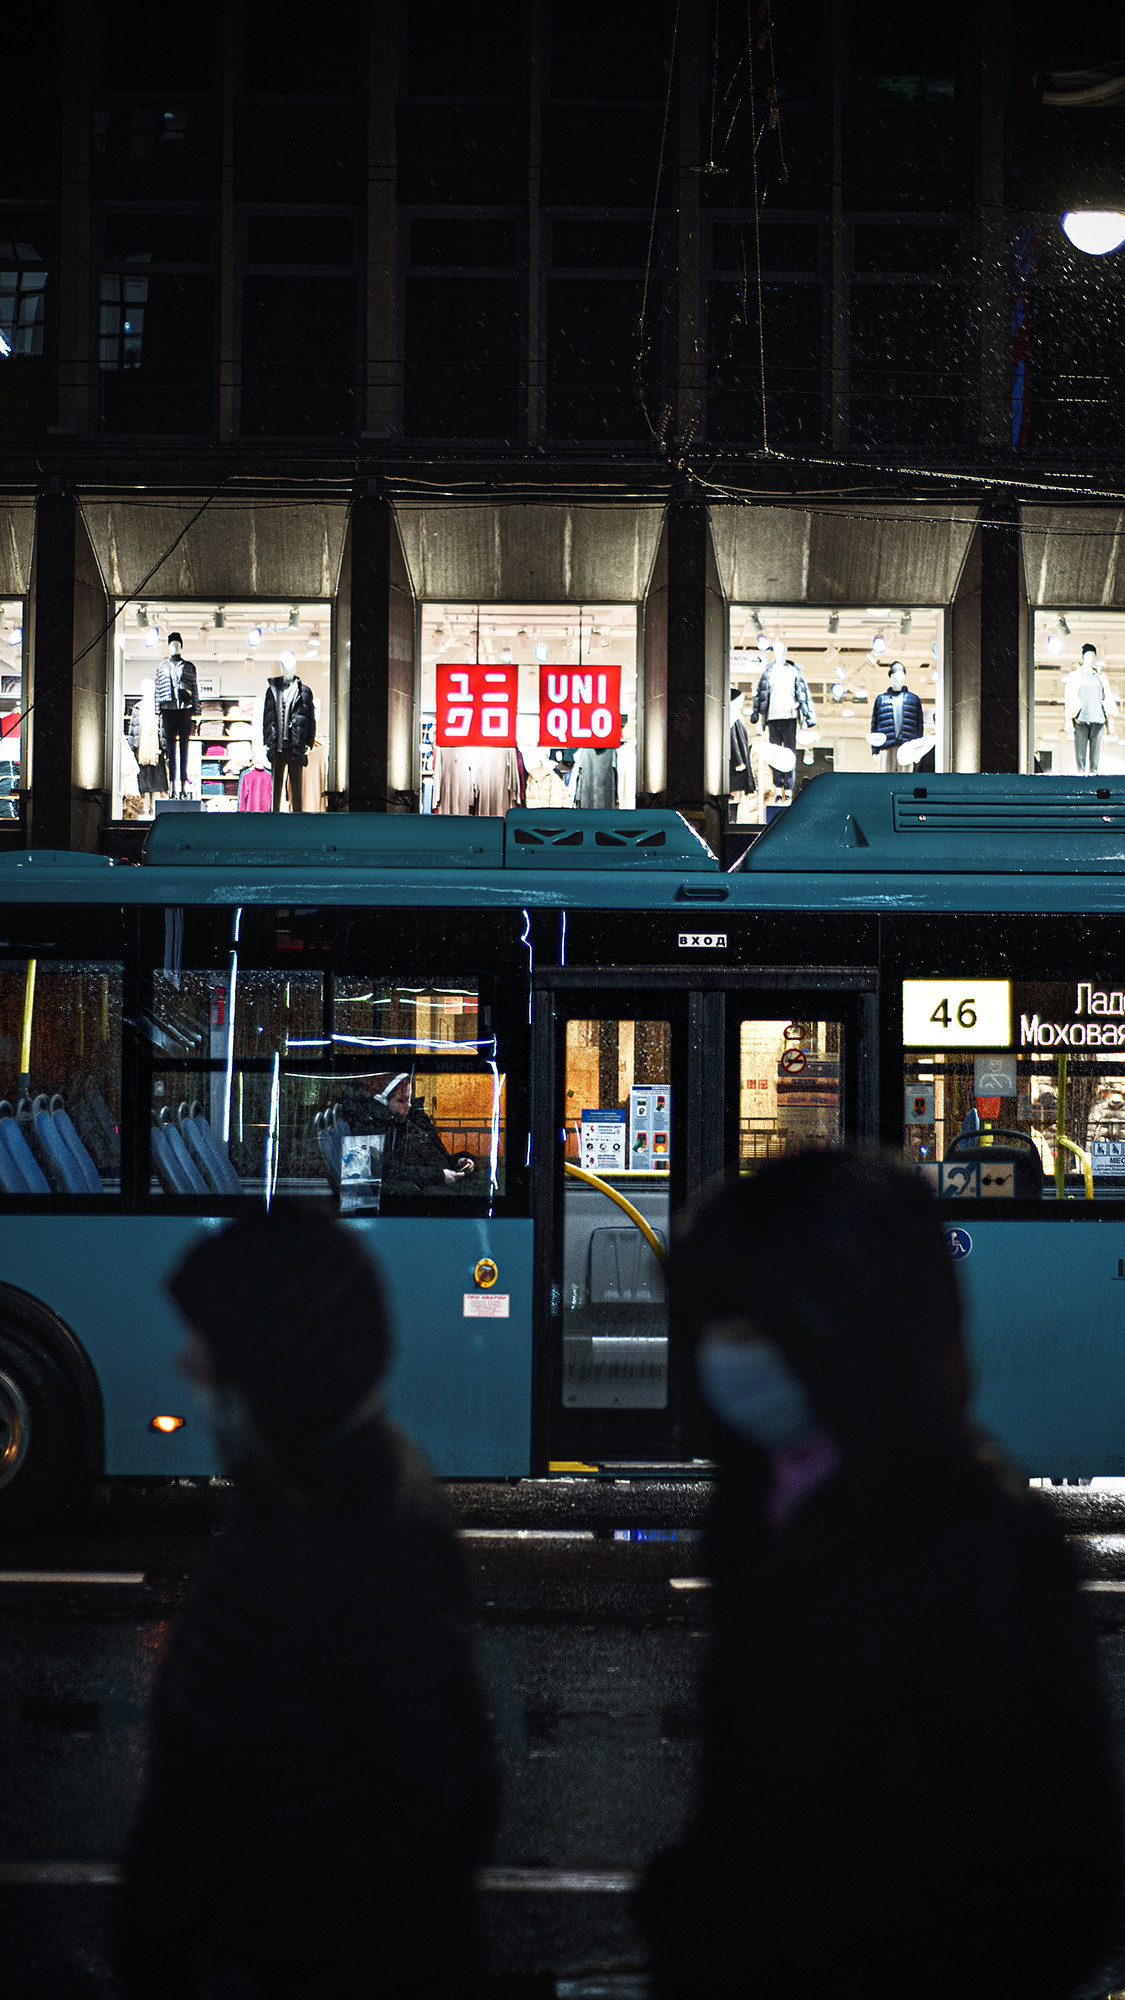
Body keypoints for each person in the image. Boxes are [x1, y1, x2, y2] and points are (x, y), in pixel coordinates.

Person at [639, 1149, 1123, 2000]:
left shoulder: (976, 1553)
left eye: (748, 1328)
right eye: (716, 1325)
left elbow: (1051, 1885)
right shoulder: (768, 1512)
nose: (722, 1356)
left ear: (835, 1331)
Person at [115, 1204, 499, 2000]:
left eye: (211, 1343)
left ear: (276, 1361)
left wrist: (245, 1933)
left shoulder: (359, 1538)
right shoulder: (297, 1497)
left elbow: (439, 1805)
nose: (188, 1362)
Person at [338, 1070, 476, 1194]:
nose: (408, 1106)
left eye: (409, 1100)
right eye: (400, 1101)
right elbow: (391, 1170)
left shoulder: (413, 1122)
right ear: (382, 1102)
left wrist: (457, 1161)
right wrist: (439, 1176)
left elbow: (434, 1158)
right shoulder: (379, 1128)